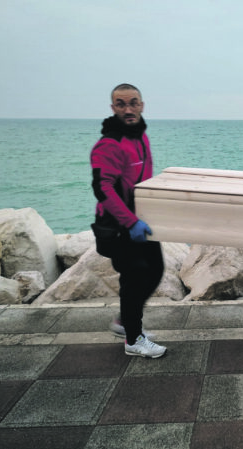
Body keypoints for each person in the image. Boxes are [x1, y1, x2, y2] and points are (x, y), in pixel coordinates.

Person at [90, 83, 166, 358]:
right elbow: (102, 188)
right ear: (113, 108)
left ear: (142, 105)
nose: (128, 109)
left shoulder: (140, 137)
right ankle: (133, 340)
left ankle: (125, 321)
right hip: (117, 226)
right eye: (121, 104)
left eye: (133, 102)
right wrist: (130, 222)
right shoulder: (108, 145)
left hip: (141, 219)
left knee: (155, 270)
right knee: (134, 278)